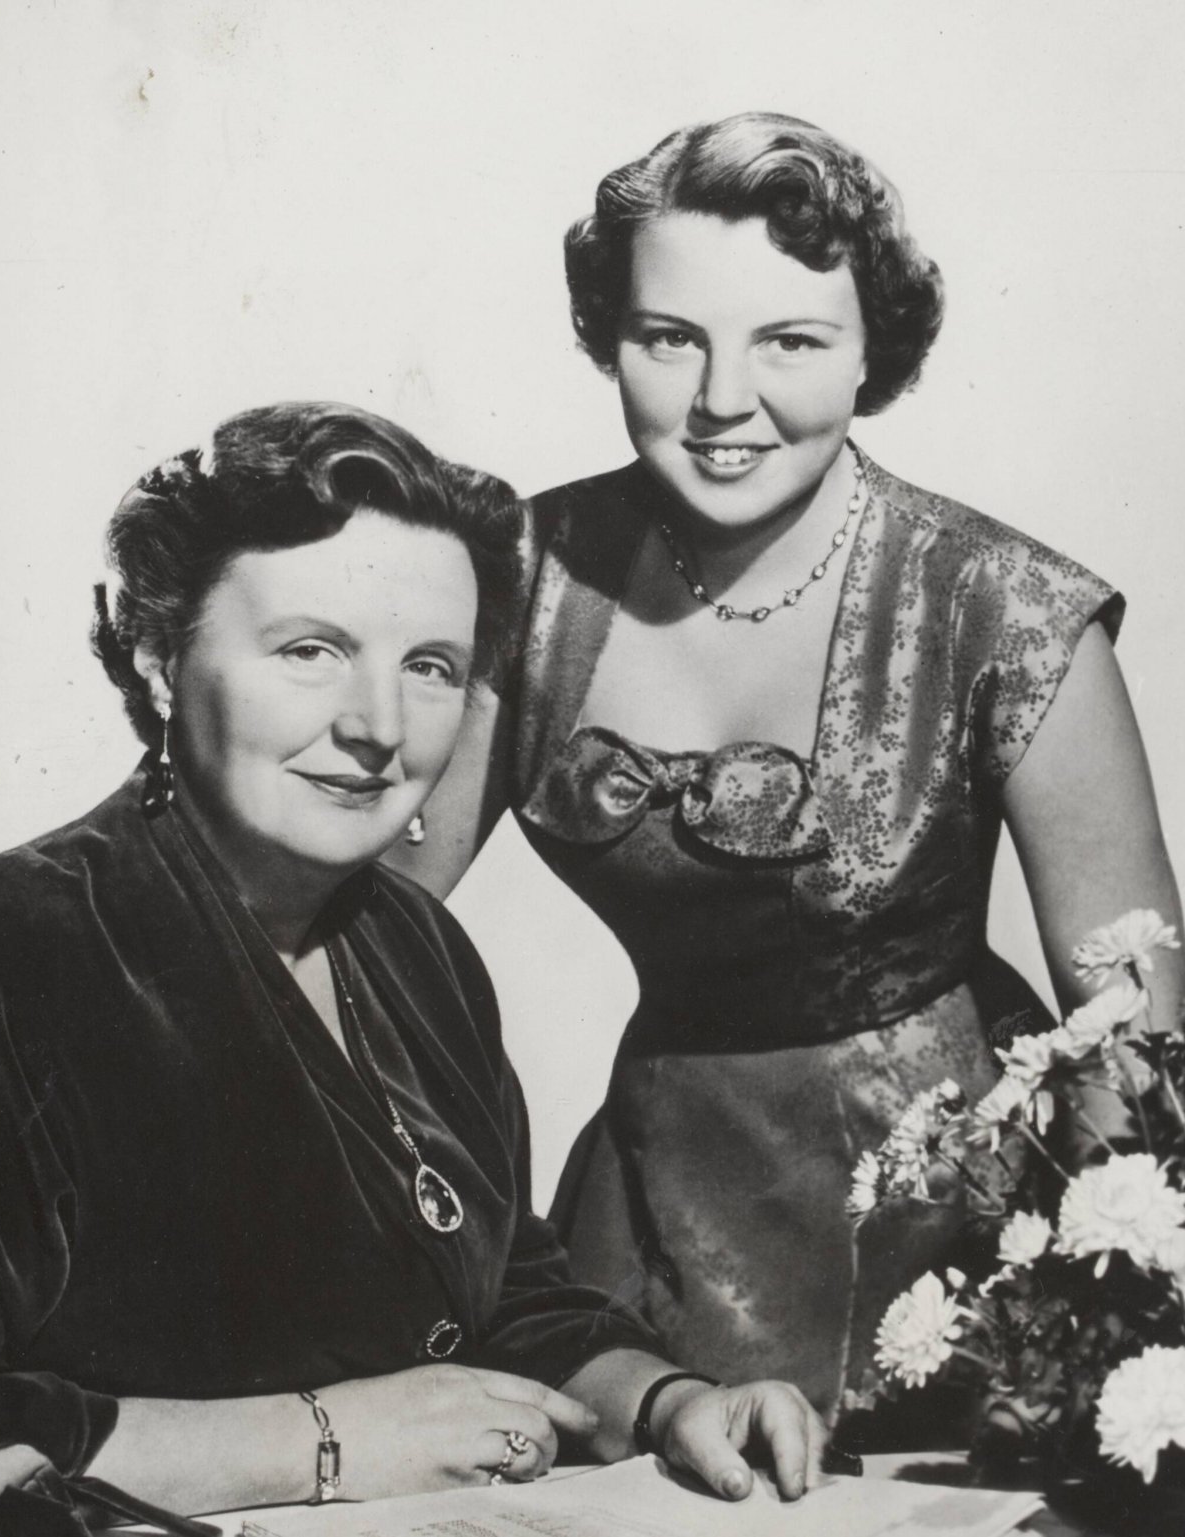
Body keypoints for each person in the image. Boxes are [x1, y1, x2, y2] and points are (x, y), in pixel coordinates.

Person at [391, 113, 1185, 1444]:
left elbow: (1149, 1050)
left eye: (793, 343)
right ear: (608, 334)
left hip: (948, 1246)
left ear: (877, 351)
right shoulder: (520, 576)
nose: (719, 401)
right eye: (669, 338)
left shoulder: (1009, 608)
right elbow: (368, 941)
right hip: (642, 1239)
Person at [0, 403, 829, 1521]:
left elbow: (503, 1291)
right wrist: (320, 1441)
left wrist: (668, 1401)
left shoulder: (417, 945)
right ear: (156, 661)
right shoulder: (18, 950)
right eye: (310, 651)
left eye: (431, 665)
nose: (379, 725)